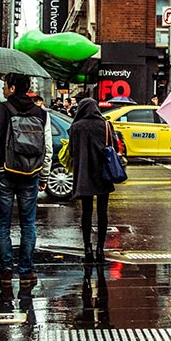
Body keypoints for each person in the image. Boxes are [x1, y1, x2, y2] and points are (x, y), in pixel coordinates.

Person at [0, 72, 52, 289]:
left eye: (5, 86)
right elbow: (47, 147)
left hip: (3, 171)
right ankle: (26, 270)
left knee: (3, 223)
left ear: (13, 88)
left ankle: (6, 270)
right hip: (30, 173)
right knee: (28, 223)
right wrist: (43, 175)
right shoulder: (41, 113)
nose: (2, 89)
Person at [68, 98, 115, 263]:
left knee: (86, 212)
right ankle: (100, 248)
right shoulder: (106, 125)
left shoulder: (76, 127)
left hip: (84, 175)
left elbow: (72, 152)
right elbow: (114, 145)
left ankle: (87, 247)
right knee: (103, 212)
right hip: (104, 173)